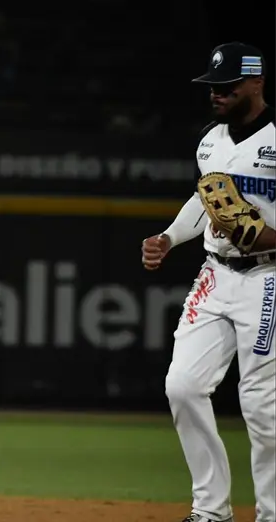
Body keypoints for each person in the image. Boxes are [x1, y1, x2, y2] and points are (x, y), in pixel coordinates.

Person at [141, 42, 275, 522]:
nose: (217, 94)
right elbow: (205, 200)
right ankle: (211, 511)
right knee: (182, 385)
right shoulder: (210, 140)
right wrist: (169, 237)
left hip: (269, 277)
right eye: (213, 86)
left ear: (256, 83)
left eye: (228, 86)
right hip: (216, 273)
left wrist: (268, 238)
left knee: (261, 407)